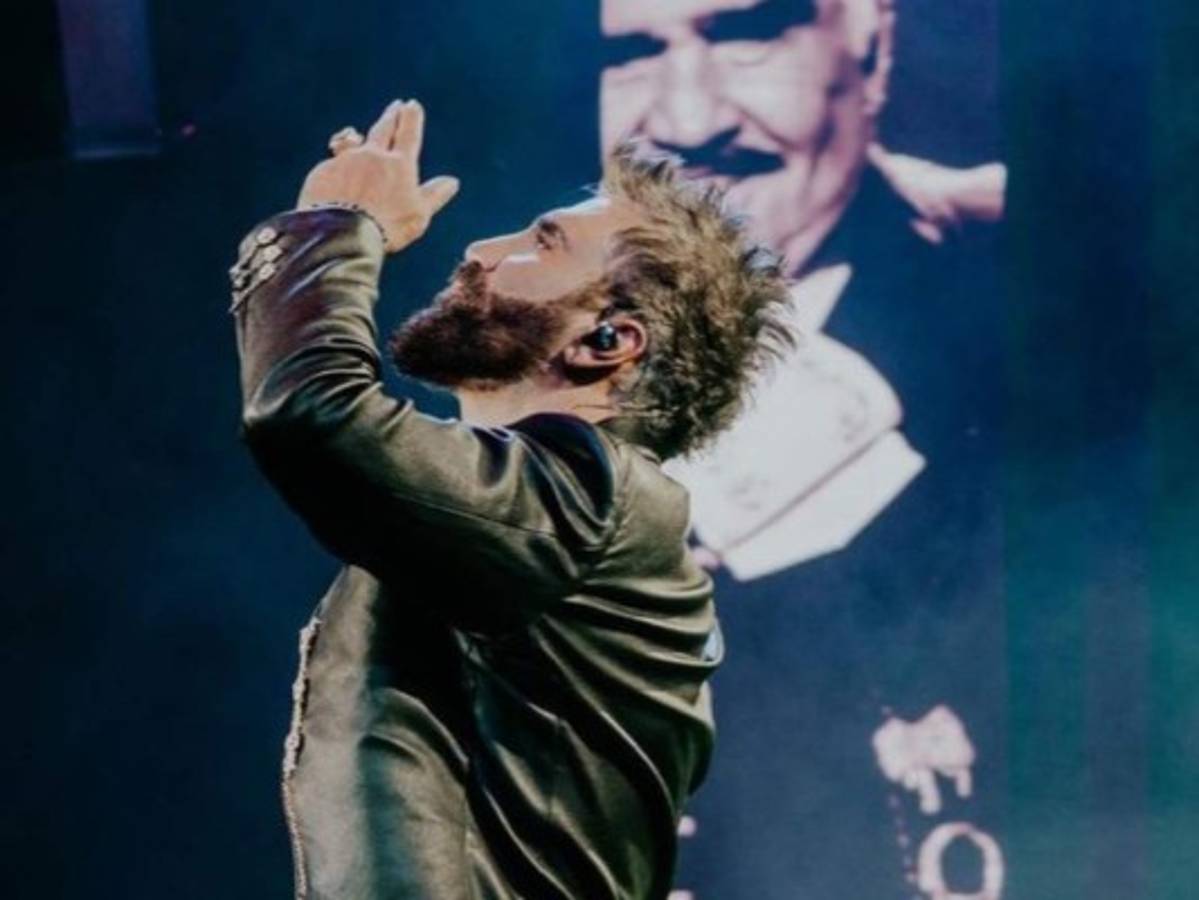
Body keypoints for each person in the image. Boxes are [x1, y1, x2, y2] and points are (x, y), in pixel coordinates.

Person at [228, 98, 793, 899]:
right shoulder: (542, 516)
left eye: (542, 241)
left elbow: (314, 416)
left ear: (607, 340)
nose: (480, 250)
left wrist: (338, 222)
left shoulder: (589, 497)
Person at [598, 2, 1009, 896]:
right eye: (626, 55)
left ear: (869, 41)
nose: (688, 119)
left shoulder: (1049, 317)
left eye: (747, 36)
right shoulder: (490, 366)